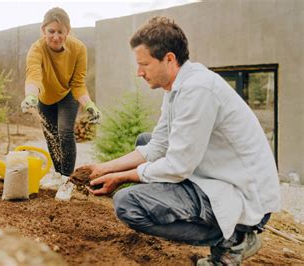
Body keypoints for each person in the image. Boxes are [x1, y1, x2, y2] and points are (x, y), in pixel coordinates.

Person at [85, 17, 280, 265]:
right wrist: (105, 168)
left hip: (245, 194)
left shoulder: (198, 90)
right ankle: (228, 233)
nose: (139, 72)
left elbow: (178, 166)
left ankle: (234, 238)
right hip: (218, 174)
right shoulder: (176, 87)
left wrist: (123, 177)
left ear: (169, 59)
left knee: (128, 204)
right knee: (145, 140)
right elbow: (158, 145)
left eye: (144, 64)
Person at [21, 7, 101, 176]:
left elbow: (78, 83)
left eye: (60, 32)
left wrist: (89, 104)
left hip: (68, 93)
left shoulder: (79, 49)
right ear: (43, 30)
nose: (56, 37)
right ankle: (58, 176)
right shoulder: (37, 49)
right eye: (51, 31)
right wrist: (31, 95)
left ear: (68, 31)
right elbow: (33, 76)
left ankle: (67, 180)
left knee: (64, 131)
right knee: (51, 135)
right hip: (43, 98)